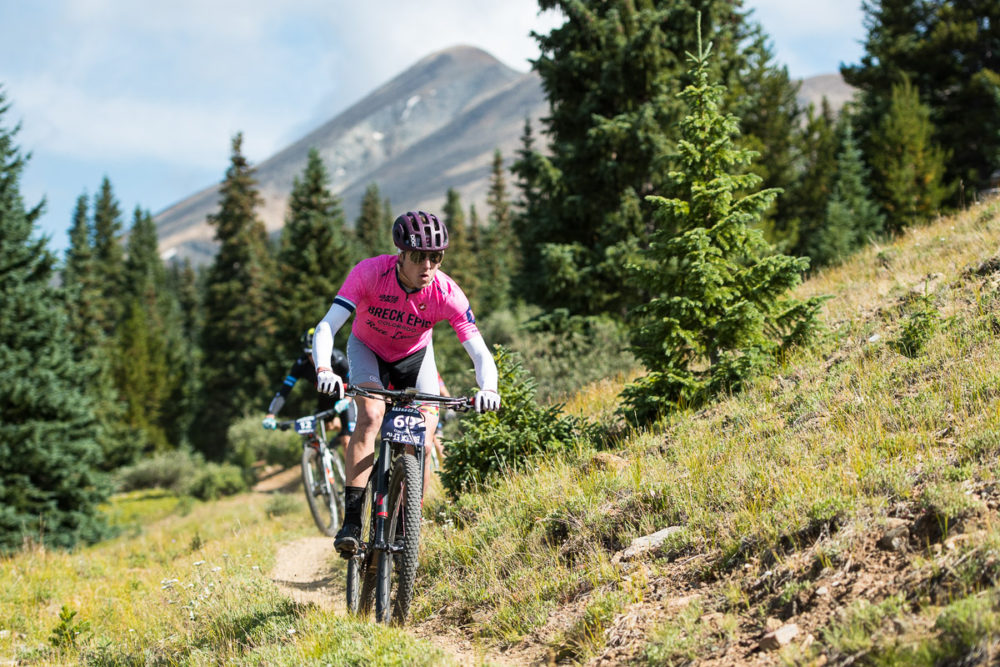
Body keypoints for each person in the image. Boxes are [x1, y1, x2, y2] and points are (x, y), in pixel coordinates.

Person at [312, 210, 501, 555]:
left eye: (436, 257)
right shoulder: (370, 273)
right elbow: (327, 326)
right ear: (401, 255)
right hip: (368, 349)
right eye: (418, 256)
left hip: (415, 358)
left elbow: (480, 352)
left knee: (425, 438)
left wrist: (489, 389)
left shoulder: (446, 292)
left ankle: (406, 529)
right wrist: (324, 369)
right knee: (370, 414)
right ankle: (352, 520)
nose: (427, 266)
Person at [262, 328, 356, 451]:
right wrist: (271, 414)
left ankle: (345, 445)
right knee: (321, 429)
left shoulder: (337, 358)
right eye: (310, 354)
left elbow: (354, 379)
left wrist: (348, 399)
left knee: (347, 440)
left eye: (317, 352)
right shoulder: (301, 364)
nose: (315, 358)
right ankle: (334, 430)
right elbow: (284, 391)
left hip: (345, 395)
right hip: (325, 397)